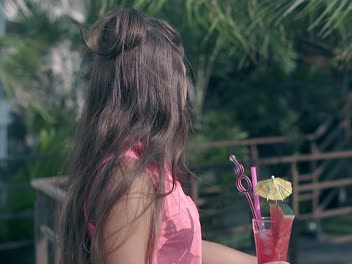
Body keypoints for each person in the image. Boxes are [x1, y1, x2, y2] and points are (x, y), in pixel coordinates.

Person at [56, 7, 288, 264]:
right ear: (160, 88)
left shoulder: (145, 165)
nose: (184, 91)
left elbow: (181, 248)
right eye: (182, 76)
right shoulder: (128, 178)